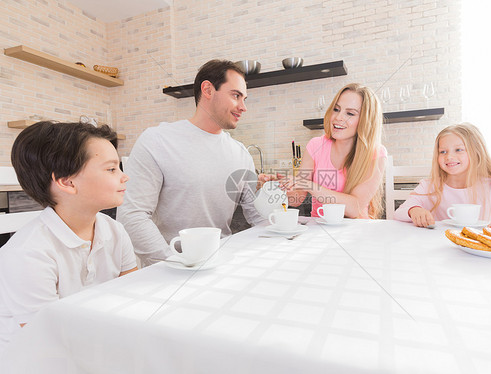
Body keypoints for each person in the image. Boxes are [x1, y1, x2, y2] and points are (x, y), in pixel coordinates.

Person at [0, 121, 137, 354]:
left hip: (94, 343)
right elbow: (48, 338)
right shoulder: (28, 254)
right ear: (67, 182)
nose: (125, 177)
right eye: (111, 169)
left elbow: (133, 295)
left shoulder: (115, 231)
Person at [117, 59, 264, 266]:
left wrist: (273, 195)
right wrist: (174, 261)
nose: (243, 107)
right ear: (208, 90)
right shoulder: (157, 140)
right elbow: (132, 216)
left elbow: (258, 217)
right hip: (168, 269)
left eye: (244, 98)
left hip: (220, 264)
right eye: (236, 95)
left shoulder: (241, 154)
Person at [279, 83, 387, 219]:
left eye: (350, 113)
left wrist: (310, 185)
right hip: (319, 230)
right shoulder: (315, 145)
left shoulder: (376, 154)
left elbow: (355, 208)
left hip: (356, 231)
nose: (338, 117)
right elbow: (297, 199)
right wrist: (280, 186)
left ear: (365, 120)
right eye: (336, 109)